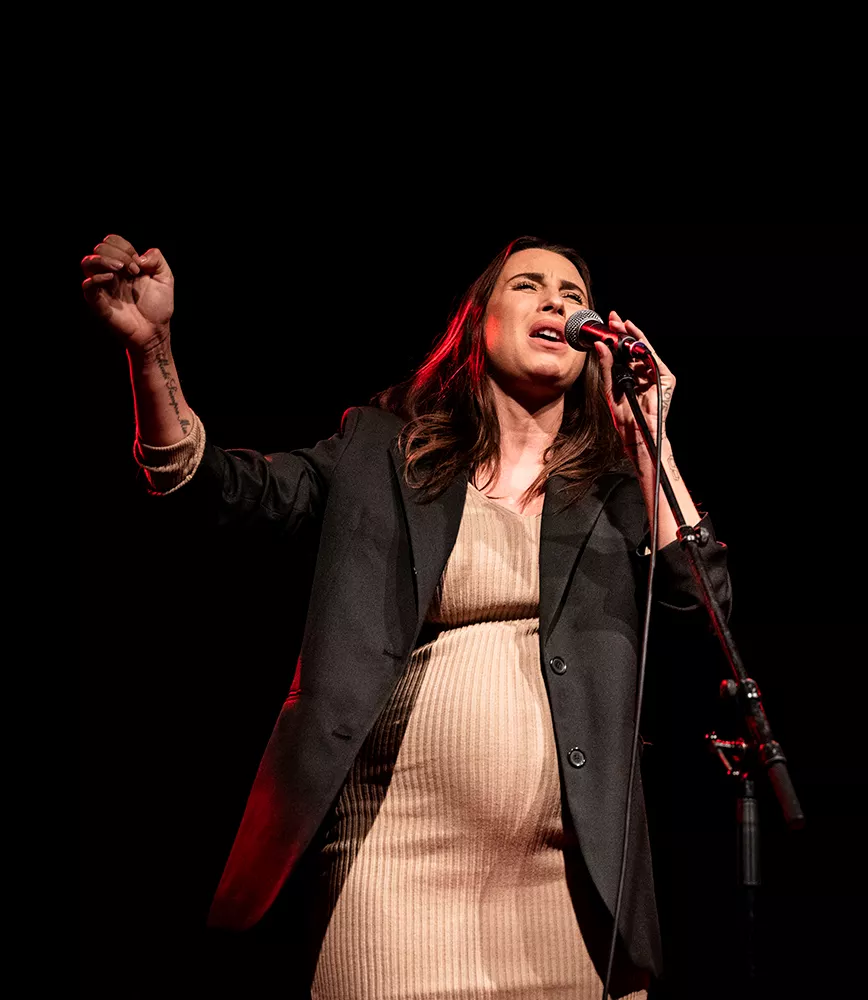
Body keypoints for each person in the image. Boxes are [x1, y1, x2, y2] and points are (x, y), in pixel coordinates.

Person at [81, 232, 733, 999]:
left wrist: (654, 441)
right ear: (478, 322)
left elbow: (704, 617)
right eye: (528, 285)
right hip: (395, 873)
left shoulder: (618, 489)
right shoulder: (381, 452)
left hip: (573, 891)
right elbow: (224, 493)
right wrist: (151, 350)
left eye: (573, 293)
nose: (557, 302)